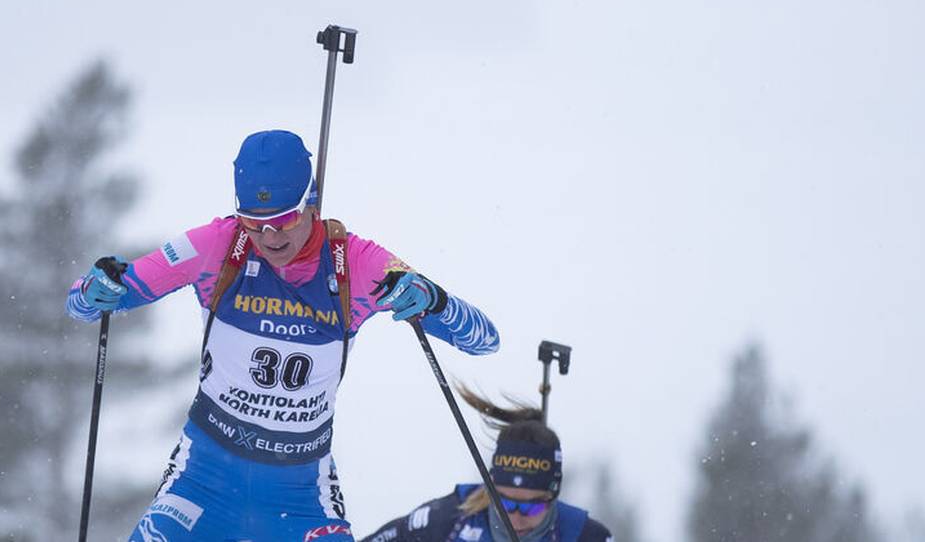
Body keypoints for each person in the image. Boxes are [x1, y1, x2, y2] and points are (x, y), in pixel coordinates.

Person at [67, 129, 501, 542]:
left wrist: (434, 302)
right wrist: (97, 288)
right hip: (202, 482)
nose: (269, 237)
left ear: (311, 201)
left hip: (301, 499)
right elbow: (85, 305)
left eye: (284, 219)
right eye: (253, 222)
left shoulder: (356, 263)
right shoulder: (217, 246)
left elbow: (484, 340)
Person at [360, 387, 612, 542]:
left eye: (532, 509)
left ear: (552, 496)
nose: (516, 517)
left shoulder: (585, 536)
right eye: (505, 503)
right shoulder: (443, 522)